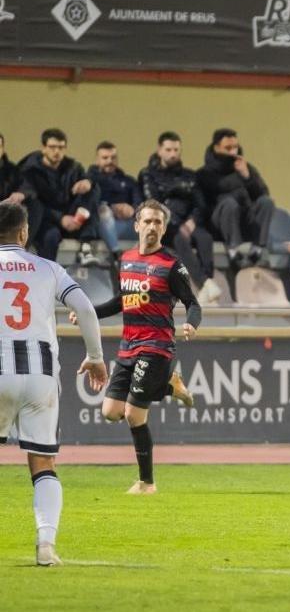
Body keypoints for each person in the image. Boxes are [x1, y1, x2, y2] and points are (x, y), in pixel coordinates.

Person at [0, 202, 108, 566]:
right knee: (43, 464)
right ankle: (46, 545)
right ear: (24, 232)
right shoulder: (48, 268)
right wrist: (95, 356)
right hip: (40, 375)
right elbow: (87, 310)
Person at [82, 200, 200, 495]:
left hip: (157, 346)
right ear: (136, 225)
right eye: (147, 221)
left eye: (157, 222)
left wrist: (192, 323)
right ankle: (171, 388)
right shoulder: (127, 259)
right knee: (110, 412)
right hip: (127, 346)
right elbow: (122, 301)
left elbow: (193, 303)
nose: (152, 226)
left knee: (135, 415)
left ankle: (147, 483)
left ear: (164, 227)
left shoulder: (172, 265)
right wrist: (89, 312)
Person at [139, 132, 221, 306]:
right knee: (180, 238)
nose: (173, 154)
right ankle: (205, 284)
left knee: (205, 237)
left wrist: (192, 220)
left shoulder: (189, 176)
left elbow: (200, 204)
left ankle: (207, 287)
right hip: (165, 225)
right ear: (159, 150)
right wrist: (176, 223)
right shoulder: (148, 174)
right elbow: (153, 204)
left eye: (176, 150)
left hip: (188, 222)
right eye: (168, 149)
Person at [18, 128, 103, 265]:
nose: (57, 152)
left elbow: (92, 191)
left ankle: (86, 249)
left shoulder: (73, 167)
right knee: (50, 235)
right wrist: (61, 219)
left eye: (61, 147)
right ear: (43, 148)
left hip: (73, 219)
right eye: (52, 147)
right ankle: (47, 275)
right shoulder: (30, 171)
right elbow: (34, 205)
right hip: (47, 220)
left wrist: (88, 183)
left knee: (92, 189)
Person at [198, 128, 275, 269]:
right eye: (228, 148)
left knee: (267, 202)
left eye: (235, 147)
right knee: (229, 203)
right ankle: (234, 252)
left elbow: (263, 193)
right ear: (216, 148)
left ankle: (258, 250)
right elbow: (202, 206)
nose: (233, 152)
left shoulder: (246, 168)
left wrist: (247, 177)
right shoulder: (205, 174)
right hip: (220, 225)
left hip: (244, 221)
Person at [88, 141, 143, 261]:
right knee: (104, 210)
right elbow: (88, 203)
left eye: (113, 157)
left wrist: (132, 210)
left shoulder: (129, 181)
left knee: (150, 223)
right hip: (100, 226)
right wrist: (112, 207)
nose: (109, 161)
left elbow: (140, 203)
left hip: (126, 225)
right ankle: (116, 255)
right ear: (97, 160)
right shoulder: (90, 181)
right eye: (105, 158)